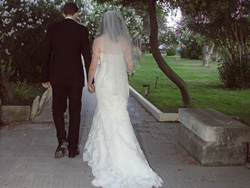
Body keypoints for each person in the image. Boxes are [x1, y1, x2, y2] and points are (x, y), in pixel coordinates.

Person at [83, 10, 163, 188]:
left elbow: (93, 66)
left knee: (106, 115)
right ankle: (126, 155)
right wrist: (130, 63)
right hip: (120, 84)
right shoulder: (125, 41)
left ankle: (107, 156)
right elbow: (131, 66)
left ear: (104, 23)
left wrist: (90, 82)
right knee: (120, 117)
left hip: (104, 83)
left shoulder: (98, 41)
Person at [41, 3, 91, 159]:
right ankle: (73, 148)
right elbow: (87, 56)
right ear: (76, 13)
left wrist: (45, 77)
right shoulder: (82, 30)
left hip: (58, 77)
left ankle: (62, 139)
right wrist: (91, 80)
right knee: (75, 111)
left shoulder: (53, 28)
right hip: (76, 77)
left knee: (57, 109)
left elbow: (46, 54)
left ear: (63, 13)